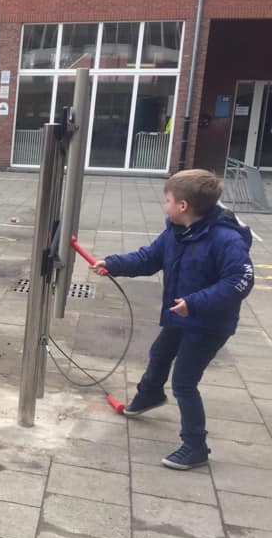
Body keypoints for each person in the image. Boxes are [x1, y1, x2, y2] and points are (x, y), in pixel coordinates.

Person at [92, 169, 253, 470]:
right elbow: (148, 258)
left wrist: (195, 303)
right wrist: (113, 264)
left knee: (184, 382)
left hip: (208, 325)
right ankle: (150, 395)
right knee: (160, 353)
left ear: (183, 206)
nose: (164, 205)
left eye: (167, 200)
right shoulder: (176, 232)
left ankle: (195, 446)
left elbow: (239, 281)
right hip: (180, 315)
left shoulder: (226, 239)